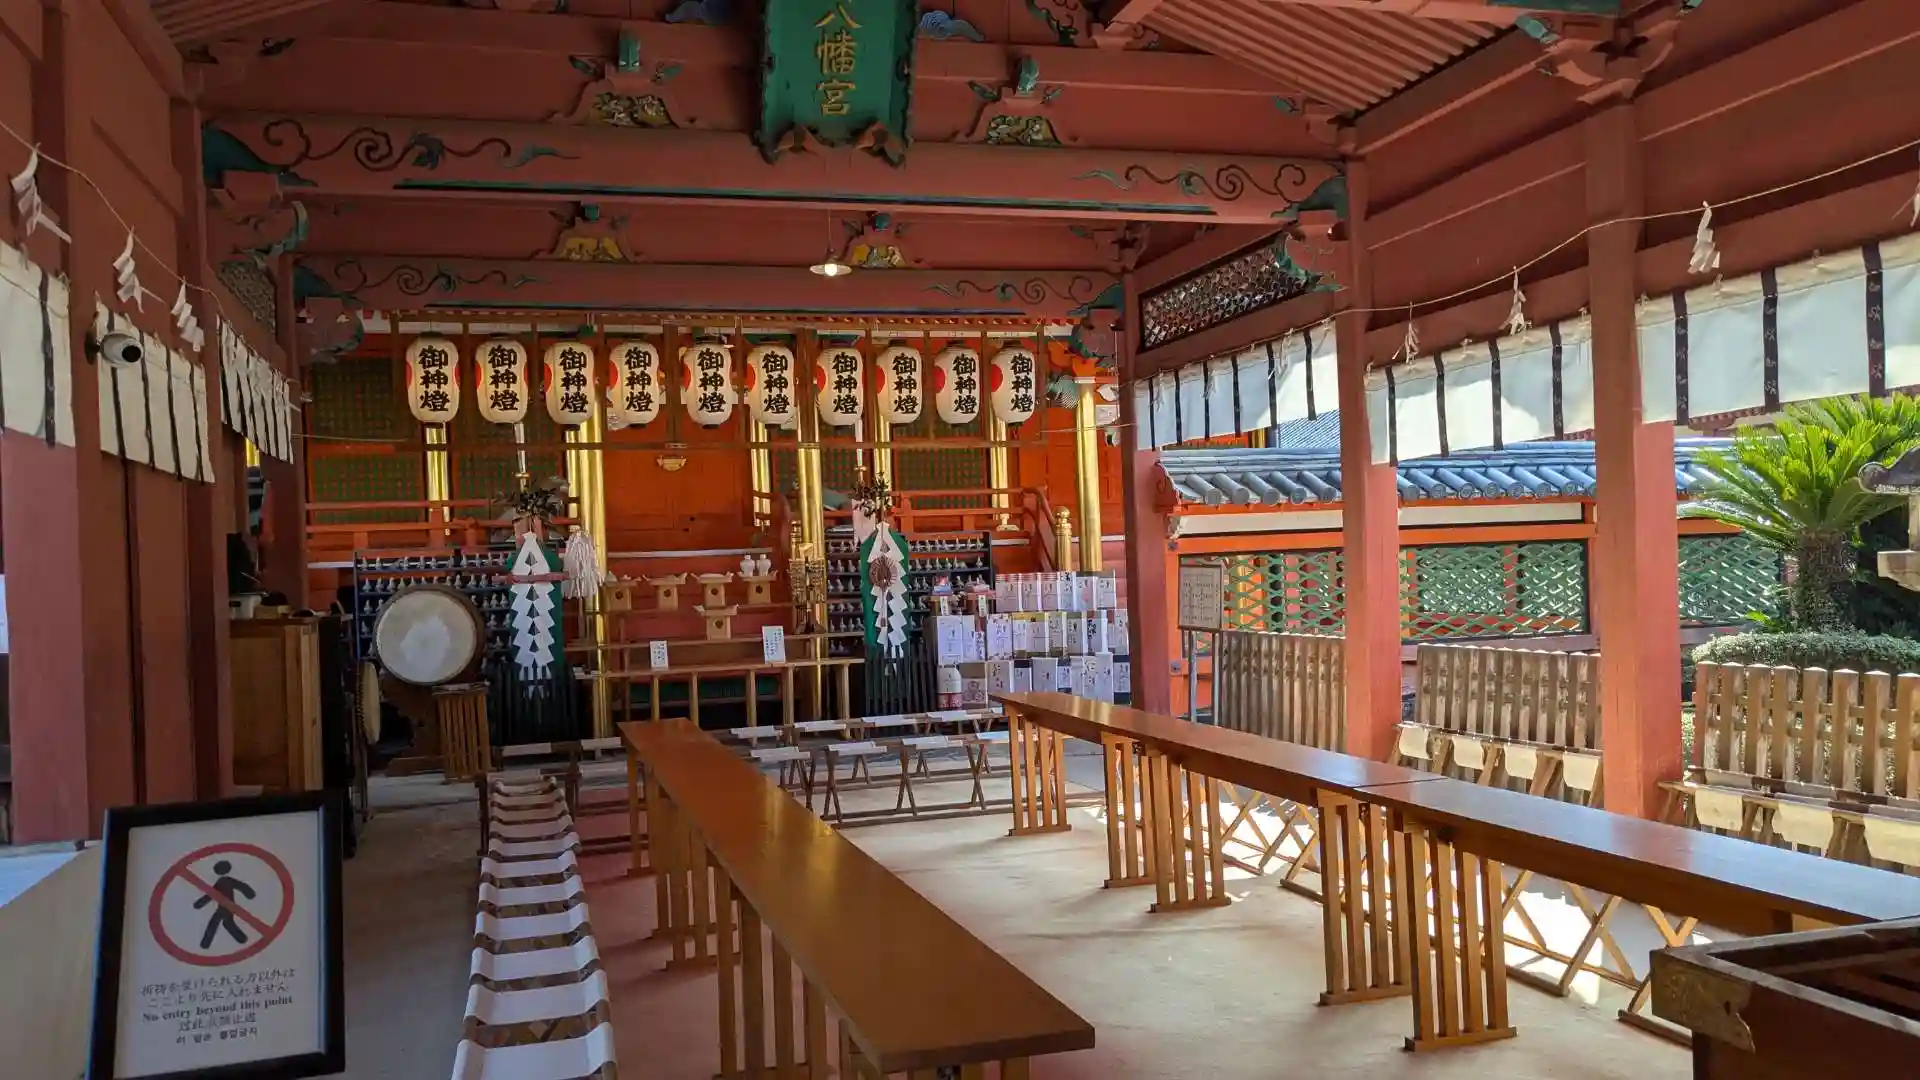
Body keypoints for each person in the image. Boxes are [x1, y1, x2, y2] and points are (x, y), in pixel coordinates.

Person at [194, 860, 257, 949]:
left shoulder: (222, 881)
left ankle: (206, 943)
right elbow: (241, 886)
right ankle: (241, 938)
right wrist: (249, 894)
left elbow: (211, 894)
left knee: (215, 923)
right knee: (227, 923)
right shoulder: (227, 880)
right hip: (230, 907)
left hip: (224, 907)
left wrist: (199, 903)